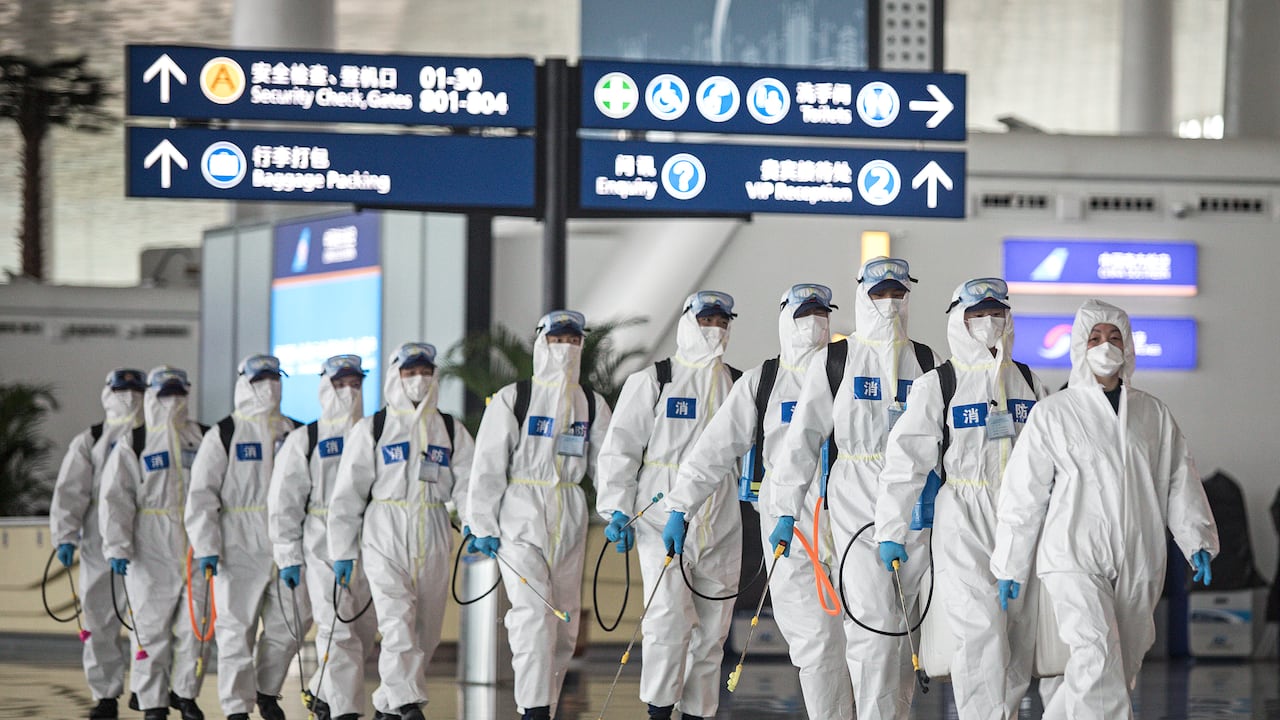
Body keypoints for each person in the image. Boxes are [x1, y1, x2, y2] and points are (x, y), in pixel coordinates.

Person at [991, 299, 1219, 720]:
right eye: (1095, 337)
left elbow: (1178, 479)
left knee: (1116, 666)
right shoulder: (1054, 414)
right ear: (1079, 346)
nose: (1105, 345)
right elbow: (1024, 493)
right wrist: (1009, 564)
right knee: (1096, 653)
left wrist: (1196, 539)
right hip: (1073, 554)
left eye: (1115, 337)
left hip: (1138, 556)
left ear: (1129, 347)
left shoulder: (1152, 413)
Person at [668, 284, 852, 720]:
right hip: (787, 517)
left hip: (850, 509)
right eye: (805, 312)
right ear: (786, 316)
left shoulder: (850, 373)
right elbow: (714, 450)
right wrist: (681, 506)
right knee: (815, 638)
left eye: (822, 313)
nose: (815, 321)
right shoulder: (762, 382)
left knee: (867, 639)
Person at [769, 257, 939, 720]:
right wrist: (786, 508)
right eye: (879, 292)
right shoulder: (838, 359)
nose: (888, 302)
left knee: (906, 633)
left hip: (915, 506)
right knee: (872, 624)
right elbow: (803, 437)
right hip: (854, 497)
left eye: (897, 293)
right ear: (863, 294)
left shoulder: (927, 361)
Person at [875, 277, 1051, 720]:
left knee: (1016, 636)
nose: (989, 322)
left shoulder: (1029, 381)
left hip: (1022, 519)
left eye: (997, 312)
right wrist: (890, 529)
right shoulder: (940, 384)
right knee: (980, 631)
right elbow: (906, 459)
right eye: (977, 314)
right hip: (964, 518)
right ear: (959, 318)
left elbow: (1052, 459)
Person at [596, 291, 740, 720]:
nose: (714, 327)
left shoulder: (738, 383)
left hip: (723, 516)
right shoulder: (655, 380)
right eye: (706, 319)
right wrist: (617, 509)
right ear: (686, 322)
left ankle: (699, 713)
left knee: (713, 631)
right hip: (660, 515)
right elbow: (620, 448)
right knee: (666, 621)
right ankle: (659, 711)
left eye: (721, 320)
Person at [468, 311, 613, 720]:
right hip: (520, 518)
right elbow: (488, 464)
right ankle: (532, 709)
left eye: (573, 339)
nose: (566, 346)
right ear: (541, 343)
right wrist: (482, 523)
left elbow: (608, 462)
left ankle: (544, 706)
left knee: (564, 625)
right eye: (558, 338)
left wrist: (618, 510)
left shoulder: (589, 402)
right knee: (533, 614)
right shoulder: (515, 398)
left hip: (570, 518)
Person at [327, 343, 476, 720]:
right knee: (396, 619)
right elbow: (348, 494)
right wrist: (343, 550)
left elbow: (468, 483)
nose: (419, 380)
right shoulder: (373, 428)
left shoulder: (448, 428)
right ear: (396, 376)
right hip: (385, 529)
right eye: (410, 373)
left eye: (425, 372)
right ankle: (409, 703)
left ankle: (388, 704)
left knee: (427, 629)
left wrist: (476, 523)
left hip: (434, 528)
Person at [185, 354, 302, 720]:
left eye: (274, 376)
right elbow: (202, 493)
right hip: (237, 542)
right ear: (243, 382)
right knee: (236, 628)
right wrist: (206, 546)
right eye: (260, 377)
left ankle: (266, 691)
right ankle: (237, 707)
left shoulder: (296, 432)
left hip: (287, 541)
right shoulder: (224, 433)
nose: (269, 383)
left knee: (290, 625)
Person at [99, 366, 210, 720]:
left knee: (196, 628)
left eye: (179, 392)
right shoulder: (136, 442)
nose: (173, 400)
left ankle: (185, 693)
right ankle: (152, 703)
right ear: (152, 396)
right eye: (166, 393)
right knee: (150, 630)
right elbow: (116, 498)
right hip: (150, 548)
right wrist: (117, 547)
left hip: (196, 544)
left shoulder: (203, 437)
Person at [268, 355, 375, 720]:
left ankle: (319, 691)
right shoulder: (306, 439)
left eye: (355, 383)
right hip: (321, 546)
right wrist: (288, 556)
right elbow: (284, 501)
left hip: (371, 545)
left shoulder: (375, 431)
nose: (348, 390)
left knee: (361, 632)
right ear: (324, 386)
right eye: (340, 383)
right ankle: (345, 712)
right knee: (337, 628)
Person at [50, 368, 147, 720]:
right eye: (124, 389)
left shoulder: (156, 438)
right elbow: (69, 493)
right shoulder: (90, 441)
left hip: (148, 547)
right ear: (109, 393)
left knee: (147, 620)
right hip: (97, 546)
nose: (130, 395)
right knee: (99, 621)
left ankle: (146, 687)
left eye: (137, 389)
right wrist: (65, 535)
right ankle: (105, 695)